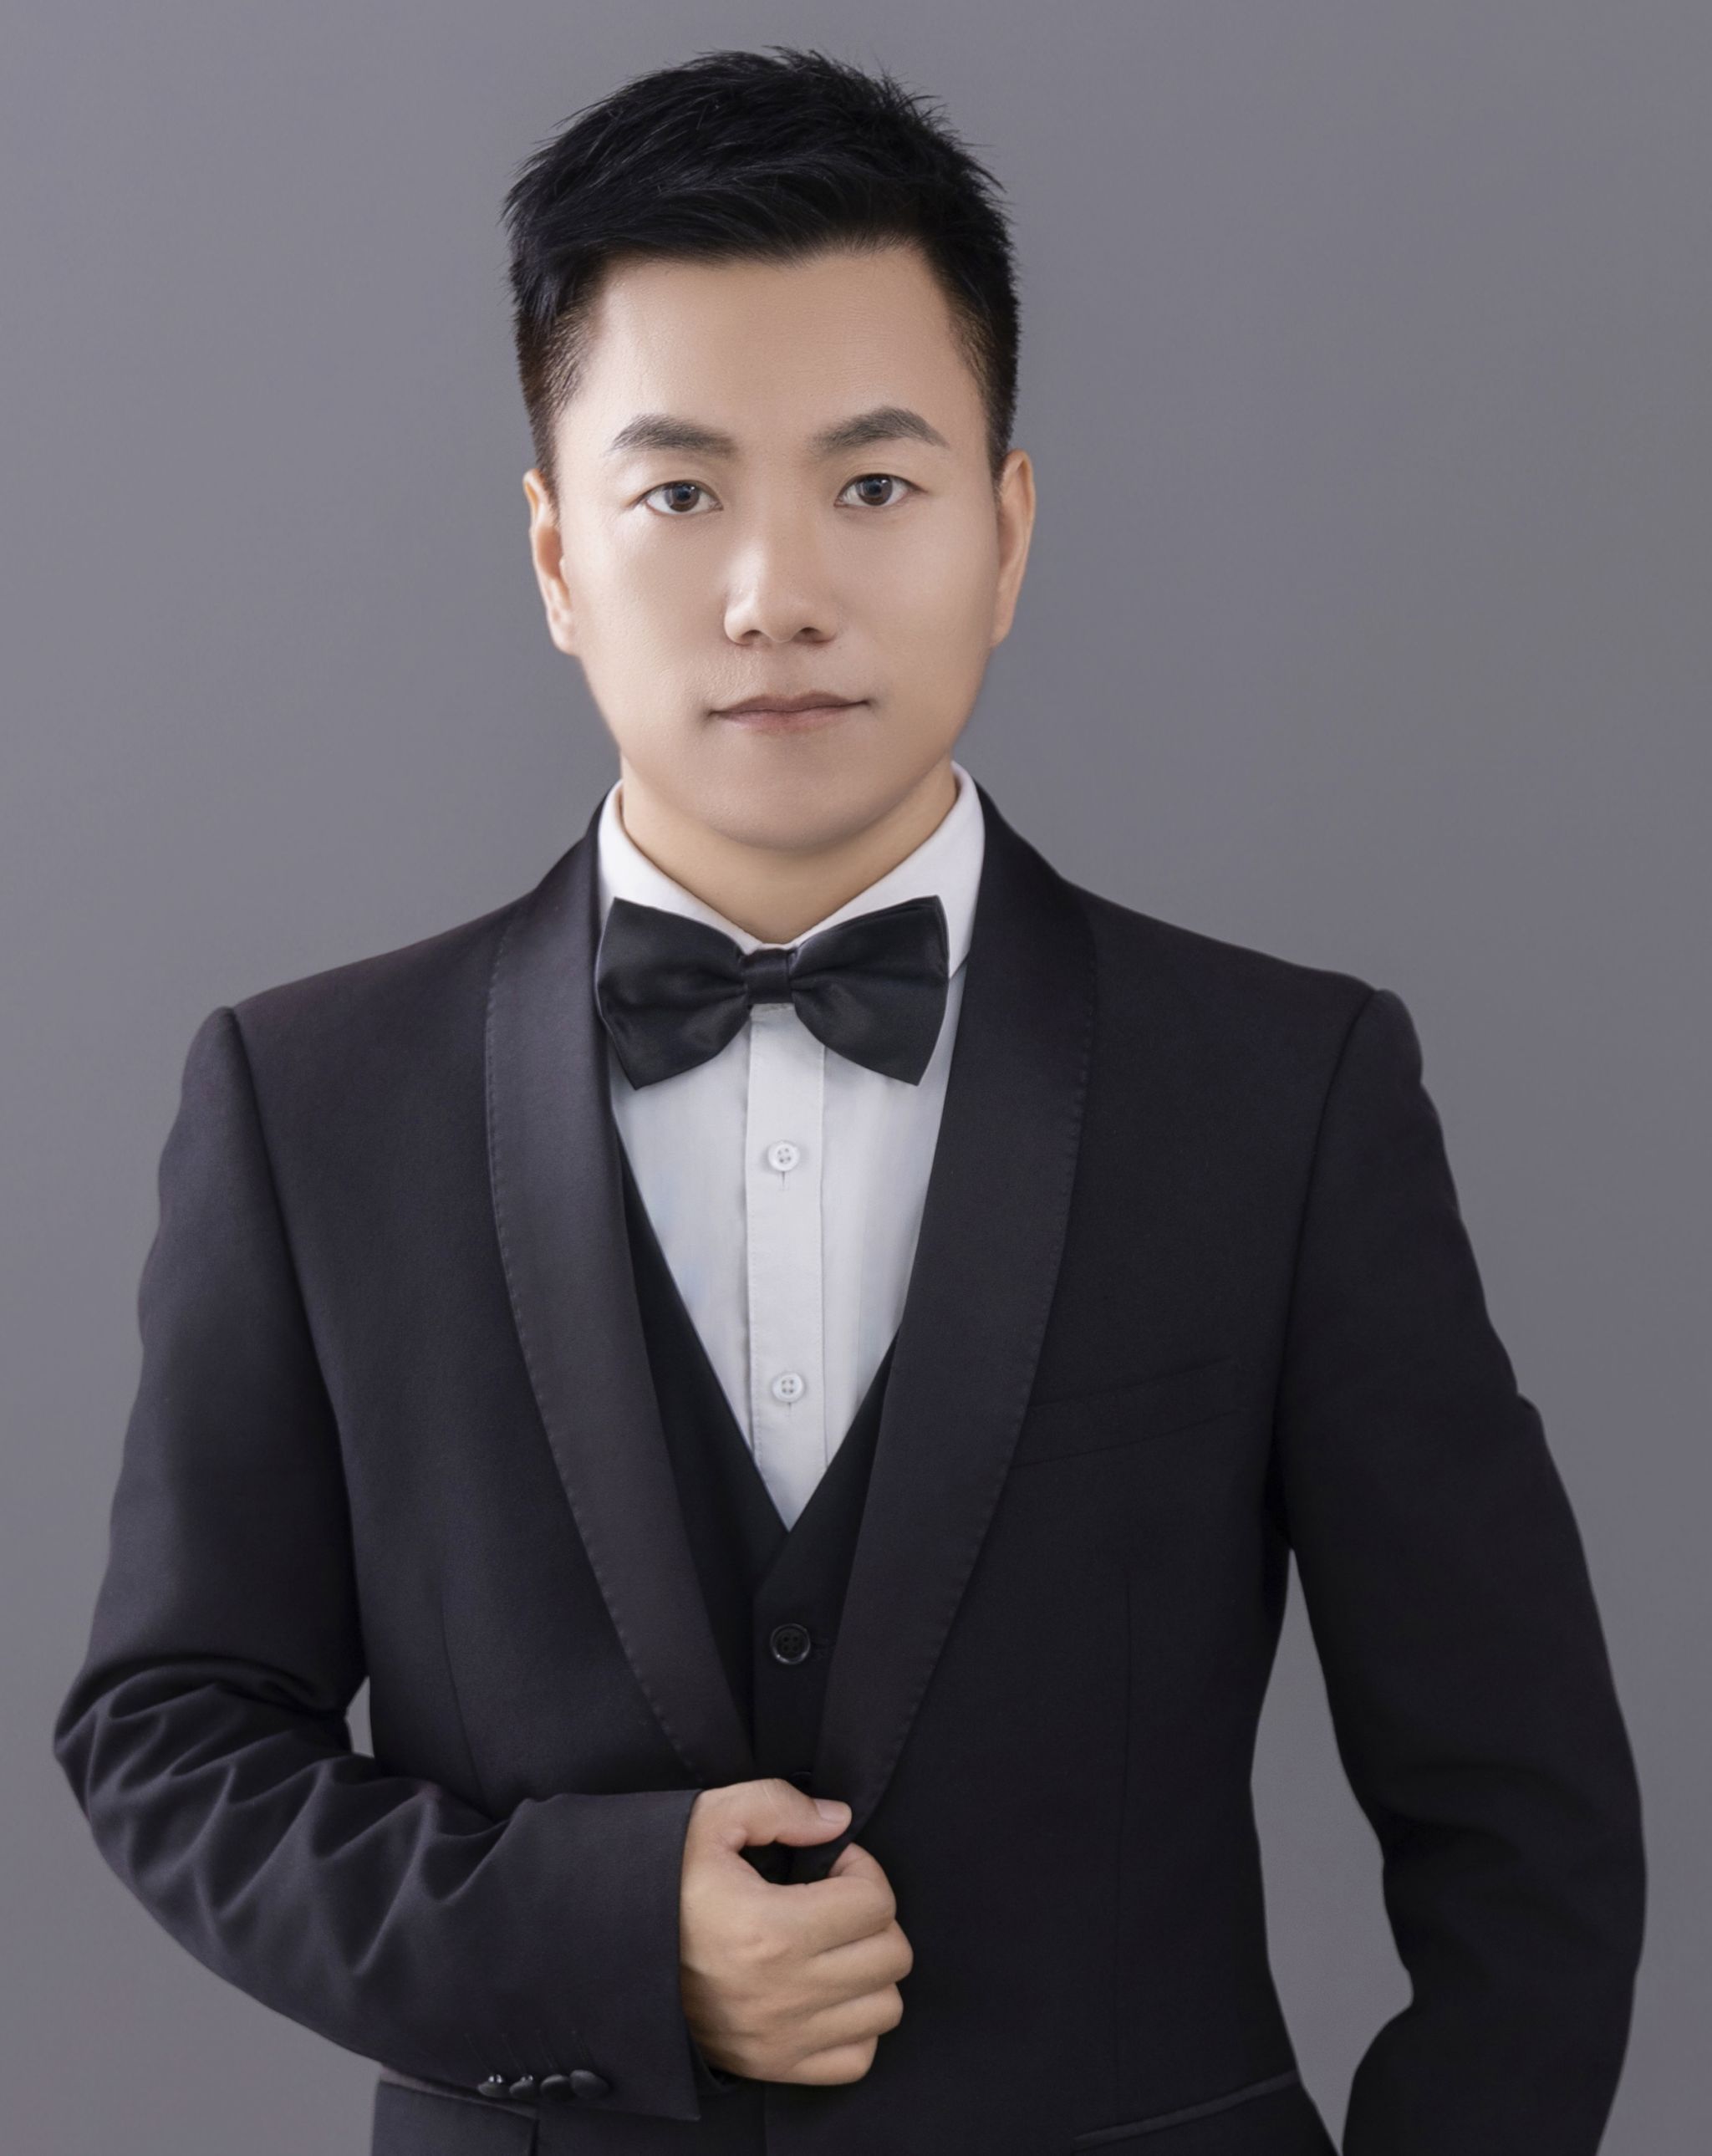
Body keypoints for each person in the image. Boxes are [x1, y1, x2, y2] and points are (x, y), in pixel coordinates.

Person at [54, 43, 1644, 2156]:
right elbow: (172, 1733)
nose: (774, 592)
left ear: (1005, 533)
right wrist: (594, 1936)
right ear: (554, 553)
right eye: (678, 493)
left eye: (873, 487)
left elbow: (1525, 1814)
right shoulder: (306, 1101)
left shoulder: (1285, 1091)